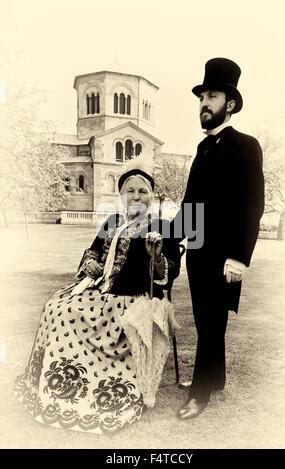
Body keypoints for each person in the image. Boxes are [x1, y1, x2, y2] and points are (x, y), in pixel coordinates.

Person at [14, 161, 181, 434]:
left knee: (90, 316)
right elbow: (92, 252)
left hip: (133, 297)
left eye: (142, 191)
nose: (136, 196)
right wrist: (90, 263)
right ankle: (58, 387)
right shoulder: (113, 221)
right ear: (122, 196)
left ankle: (103, 388)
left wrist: (158, 256)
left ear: (151, 195)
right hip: (99, 289)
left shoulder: (163, 226)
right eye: (130, 191)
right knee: (56, 308)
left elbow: (169, 271)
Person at [173, 58, 265, 419]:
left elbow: (251, 205)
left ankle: (200, 394)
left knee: (212, 324)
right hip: (198, 252)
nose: (204, 103)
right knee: (204, 320)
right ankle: (215, 379)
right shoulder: (203, 148)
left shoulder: (245, 145)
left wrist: (239, 257)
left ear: (229, 104)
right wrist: (167, 238)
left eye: (211, 96)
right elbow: (192, 206)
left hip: (225, 255)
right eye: (201, 97)